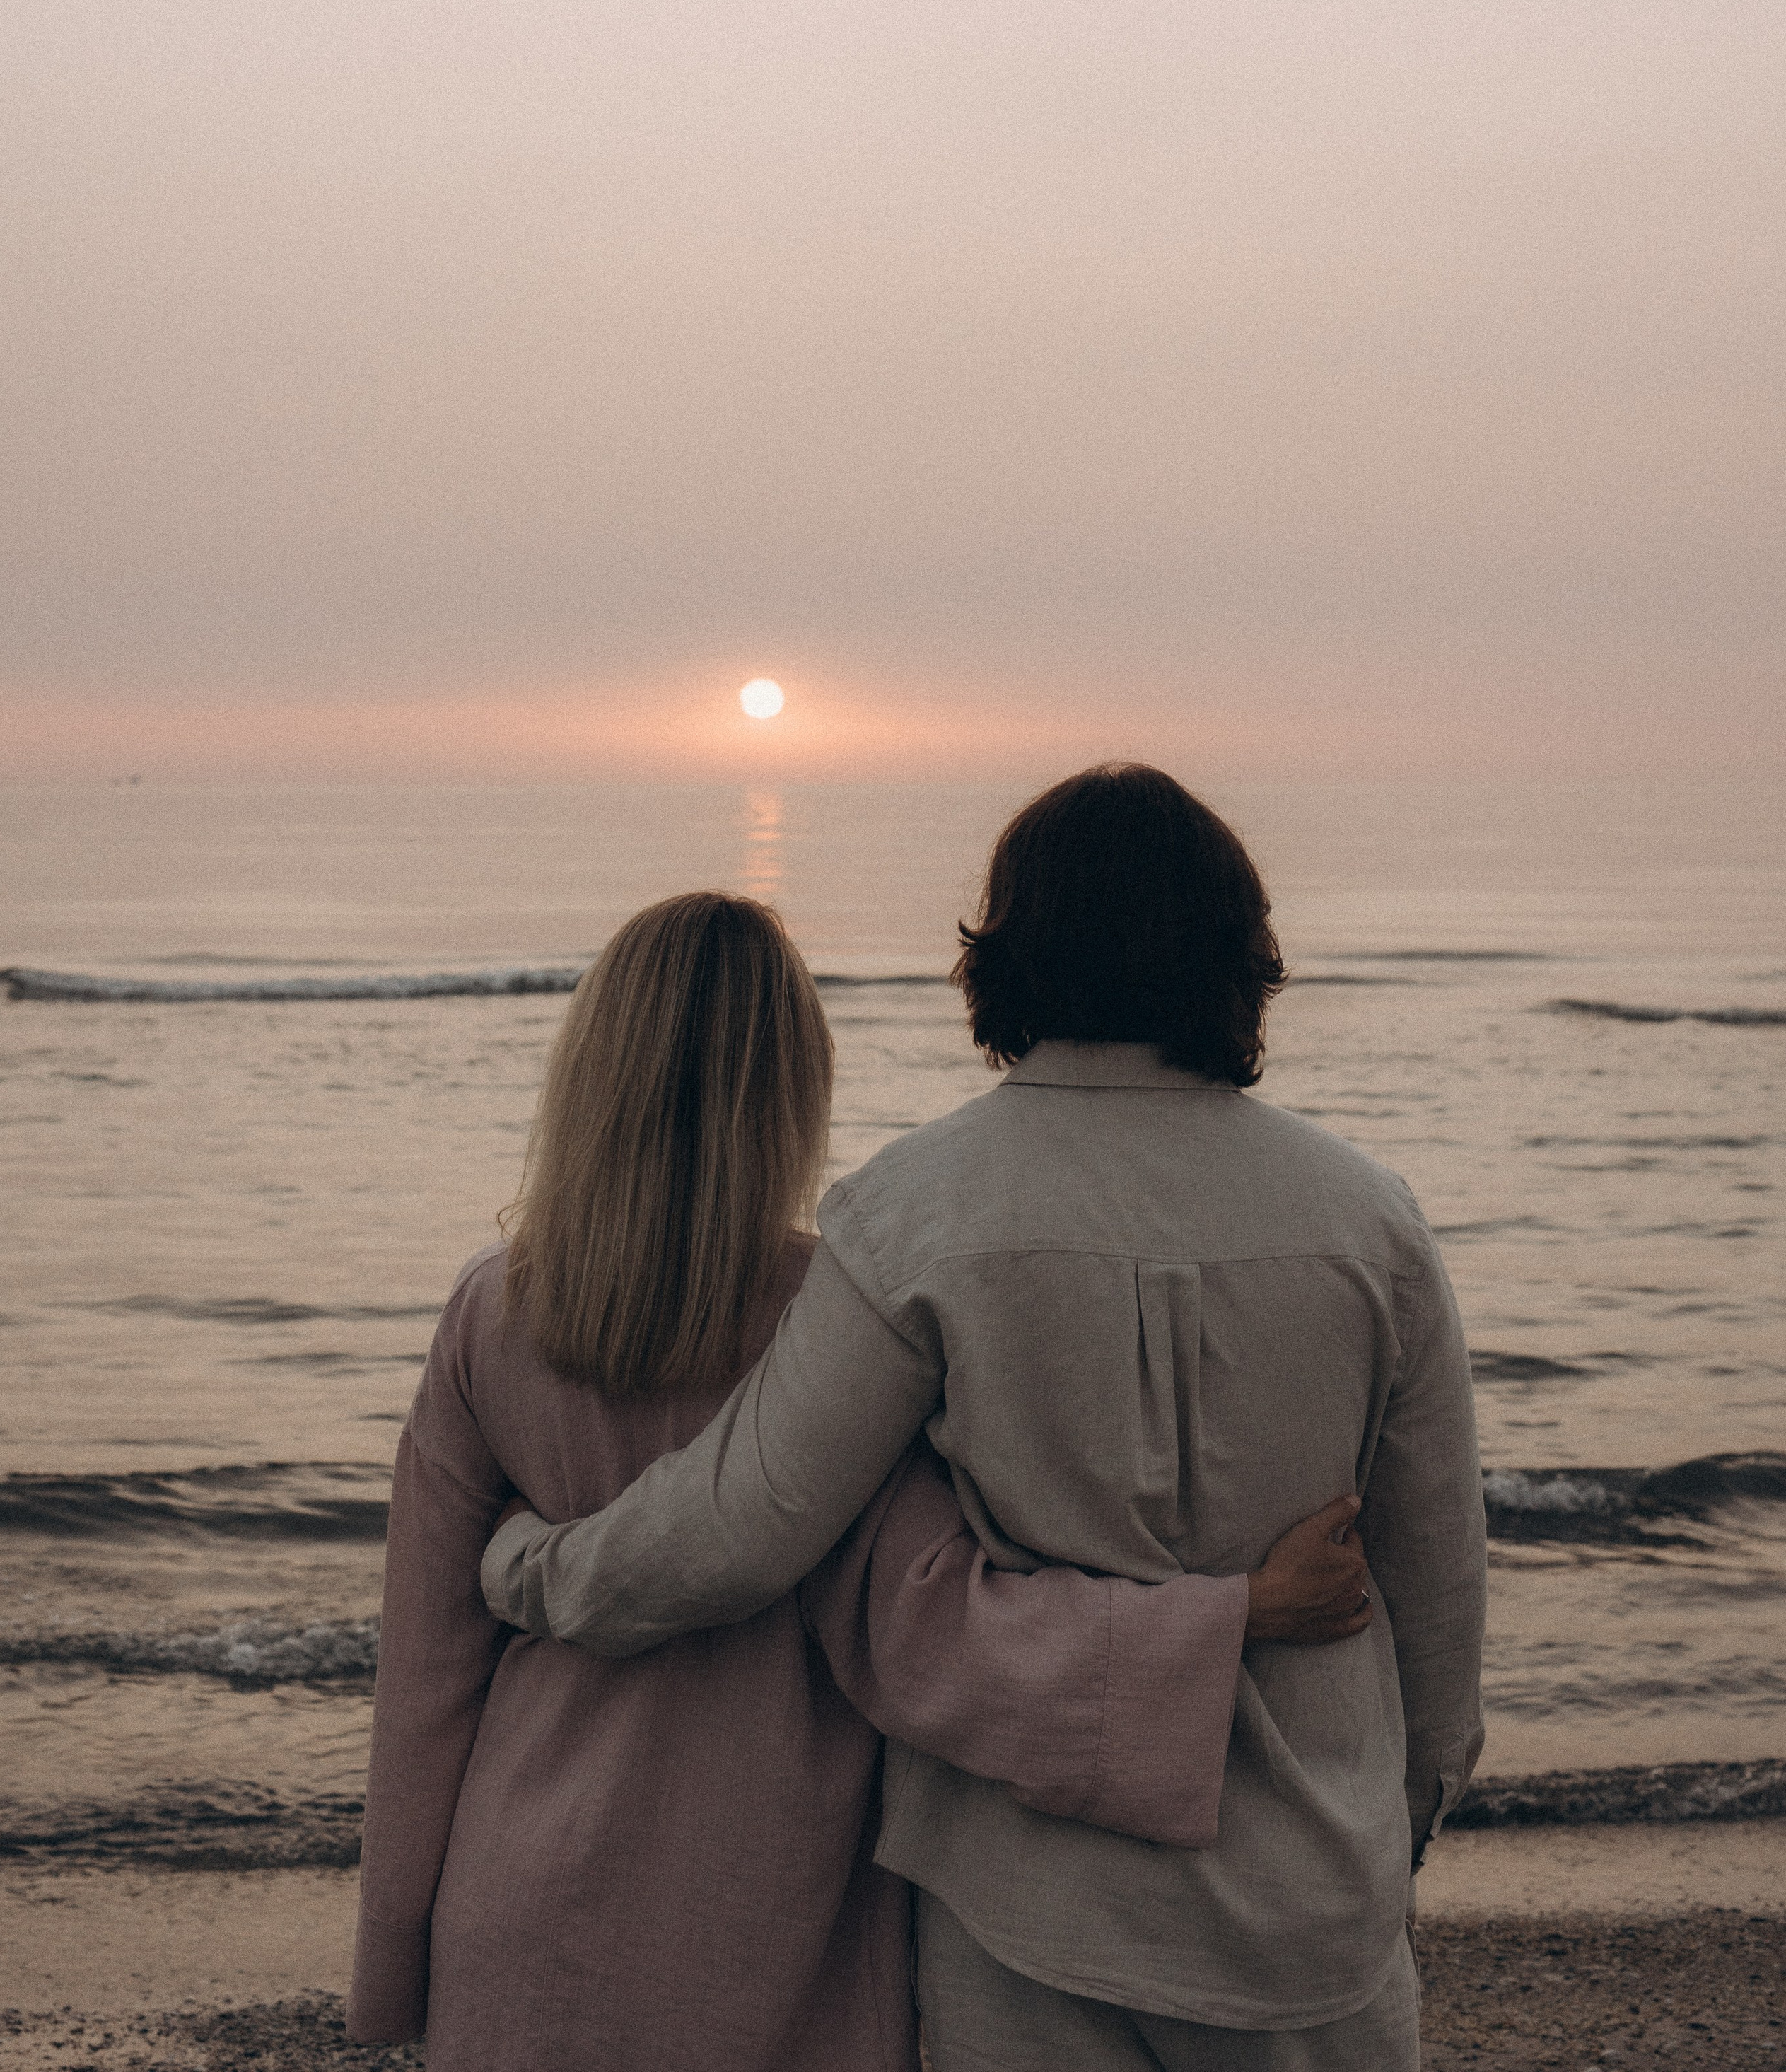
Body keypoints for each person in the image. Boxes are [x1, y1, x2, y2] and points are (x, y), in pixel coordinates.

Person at [484, 770, 1489, 2070]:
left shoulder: (917, 1213)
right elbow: (1437, 1586)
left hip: (1030, 1910)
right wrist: (1388, 1832)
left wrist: (534, 1569)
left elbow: (735, 1531)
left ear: (1003, 951)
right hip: (1315, 1923)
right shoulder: (1372, 1218)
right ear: (1242, 951)